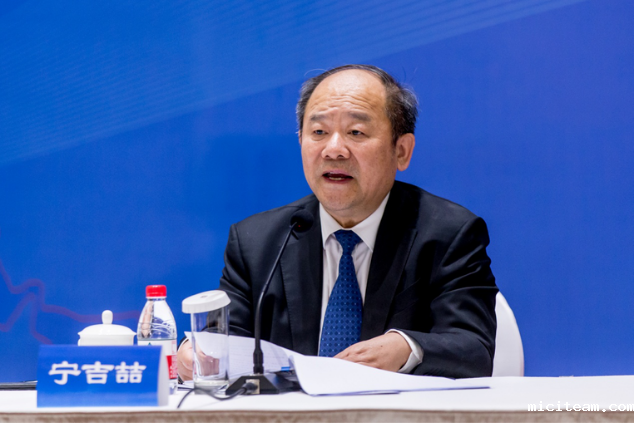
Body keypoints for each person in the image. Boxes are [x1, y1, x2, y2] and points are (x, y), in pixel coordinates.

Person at [178, 64, 497, 379]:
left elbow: (474, 349)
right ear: (301, 141)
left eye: (356, 132)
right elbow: (225, 340)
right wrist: (196, 354)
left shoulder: (448, 234)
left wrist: (405, 348)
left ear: (401, 150)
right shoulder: (257, 241)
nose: (333, 150)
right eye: (318, 132)